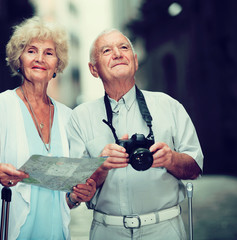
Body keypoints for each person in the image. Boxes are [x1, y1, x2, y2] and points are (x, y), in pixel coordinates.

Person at [0, 16, 96, 240]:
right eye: (32, 50)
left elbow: (62, 197)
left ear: (57, 64)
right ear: (19, 59)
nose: (40, 58)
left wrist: (76, 196)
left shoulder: (68, 117)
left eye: (49, 52)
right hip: (12, 233)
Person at [67, 29, 203, 240]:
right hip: (107, 230)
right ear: (93, 69)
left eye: (124, 47)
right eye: (106, 50)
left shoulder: (169, 106)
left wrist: (171, 159)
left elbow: (194, 169)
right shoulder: (79, 117)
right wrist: (101, 166)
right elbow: (75, 188)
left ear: (136, 61)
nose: (118, 54)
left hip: (164, 228)